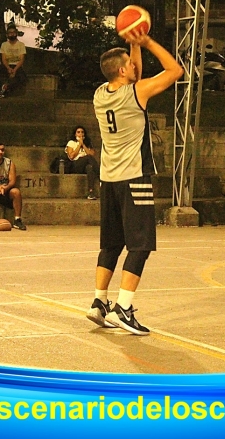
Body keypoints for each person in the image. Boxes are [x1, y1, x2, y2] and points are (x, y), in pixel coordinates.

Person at [86, 28, 183, 335]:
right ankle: (123, 309)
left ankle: (99, 302)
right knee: (141, 244)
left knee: (112, 243)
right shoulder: (137, 93)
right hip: (134, 178)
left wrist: (132, 43)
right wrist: (148, 41)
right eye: (129, 63)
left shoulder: (101, 94)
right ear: (123, 70)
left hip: (109, 179)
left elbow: (134, 71)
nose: (134, 66)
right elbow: (175, 70)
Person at [65, 125, 100, 200]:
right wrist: (79, 144)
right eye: (78, 132)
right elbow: (71, 156)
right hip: (75, 164)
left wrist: (83, 144)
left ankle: (91, 192)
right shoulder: (71, 143)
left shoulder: (87, 144)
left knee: (90, 168)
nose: (80, 134)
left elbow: (92, 154)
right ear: (75, 134)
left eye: (82, 132)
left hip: (85, 165)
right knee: (88, 158)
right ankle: (100, 175)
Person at [0, 23, 26, 98]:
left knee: (22, 78)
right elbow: (3, 58)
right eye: (10, 33)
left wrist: (14, 70)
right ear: (7, 34)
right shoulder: (4, 45)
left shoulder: (21, 45)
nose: (12, 34)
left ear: (16, 33)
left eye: (13, 32)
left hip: (17, 66)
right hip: (7, 65)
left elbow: (21, 59)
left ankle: (7, 88)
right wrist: (8, 68)